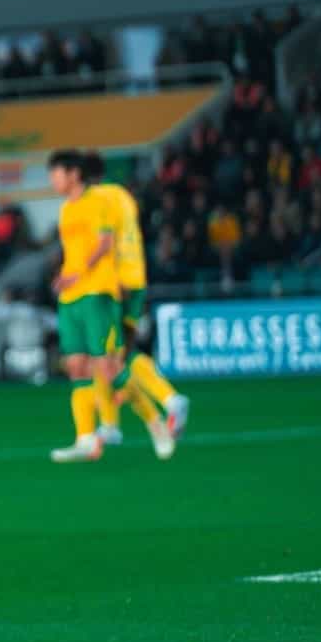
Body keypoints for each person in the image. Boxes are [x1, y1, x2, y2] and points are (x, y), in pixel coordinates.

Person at [81, 153, 185, 458]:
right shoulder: (122, 195)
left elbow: (106, 241)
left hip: (114, 284)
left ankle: (165, 400)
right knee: (116, 355)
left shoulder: (95, 199)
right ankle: (125, 424)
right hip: (135, 276)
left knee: (105, 356)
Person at [47, 150, 120, 463]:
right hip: (71, 296)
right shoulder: (65, 210)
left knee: (103, 362)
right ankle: (86, 439)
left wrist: (80, 272)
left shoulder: (99, 201)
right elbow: (72, 252)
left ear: (74, 173)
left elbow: (105, 243)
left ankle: (112, 422)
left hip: (95, 290)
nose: (53, 180)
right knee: (76, 365)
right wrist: (64, 276)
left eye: (56, 174)